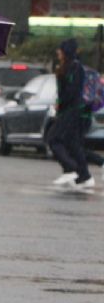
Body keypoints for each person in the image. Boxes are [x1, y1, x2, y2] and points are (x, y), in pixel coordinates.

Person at [48, 38, 94, 190]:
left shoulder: (74, 68)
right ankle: (84, 176)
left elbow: (71, 92)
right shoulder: (66, 67)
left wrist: (60, 103)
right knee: (72, 143)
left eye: (60, 49)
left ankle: (70, 169)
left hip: (71, 111)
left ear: (66, 51)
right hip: (69, 110)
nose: (58, 52)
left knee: (53, 139)